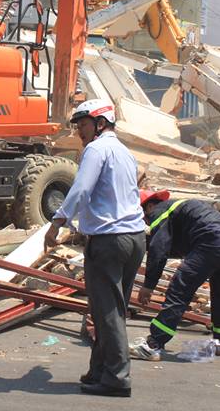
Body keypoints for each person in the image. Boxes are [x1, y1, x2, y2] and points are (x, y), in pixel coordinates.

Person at [44, 99, 146, 398]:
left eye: (83, 125)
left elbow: (82, 189)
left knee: (107, 312)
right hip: (134, 237)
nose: (79, 132)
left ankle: (117, 378)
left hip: (109, 240)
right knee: (111, 309)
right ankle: (99, 370)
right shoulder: (124, 152)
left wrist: (57, 223)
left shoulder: (97, 149)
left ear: (100, 124)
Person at [129, 190, 220, 361]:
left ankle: (153, 345)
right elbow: (176, 245)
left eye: (144, 216)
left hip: (212, 243)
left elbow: (159, 250)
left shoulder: (159, 212)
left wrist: (149, 285)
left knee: (179, 291)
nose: (147, 221)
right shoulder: (181, 208)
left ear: (150, 206)